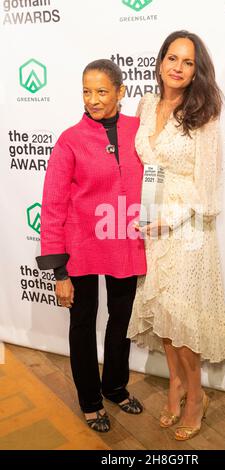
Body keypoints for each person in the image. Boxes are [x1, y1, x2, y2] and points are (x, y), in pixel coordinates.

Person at [128, 31, 225, 441]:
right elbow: (145, 168)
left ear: (196, 70)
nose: (177, 67)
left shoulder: (203, 114)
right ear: (159, 62)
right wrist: (146, 215)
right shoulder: (146, 103)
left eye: (187, 62)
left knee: (185, 322)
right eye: (172, 58)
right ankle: (174, 386)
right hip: (151, 224)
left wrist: (168, 219)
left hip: (187, 229)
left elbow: (207, 189)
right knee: (166, 318)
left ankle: (196, 397)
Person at [36, 59, 146, 433]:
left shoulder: (140, 130)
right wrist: (59, 270)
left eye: (102, 91)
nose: (93, 99)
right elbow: (52, 205)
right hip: (80, 246)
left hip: (127, 244)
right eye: (87, 91)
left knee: (122, 321)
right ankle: (90, 401)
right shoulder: (70, 139)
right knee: (82, 324)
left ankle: (115, 386)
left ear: (120, 91)